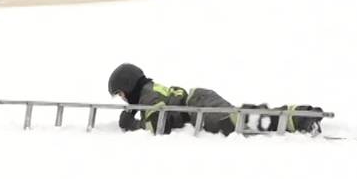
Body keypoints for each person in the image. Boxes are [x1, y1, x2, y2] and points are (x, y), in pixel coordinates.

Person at [106, 62, 322, 135]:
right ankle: (295, 116)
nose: (124, 100)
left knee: (232, 122)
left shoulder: (148, 95)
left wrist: (132, 123)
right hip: (197, 101)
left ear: (129, 86)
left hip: (197, 103)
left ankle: (299, 116)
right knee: (233, 120)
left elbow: (158, 127)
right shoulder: (147, 91)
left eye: (122, 95)